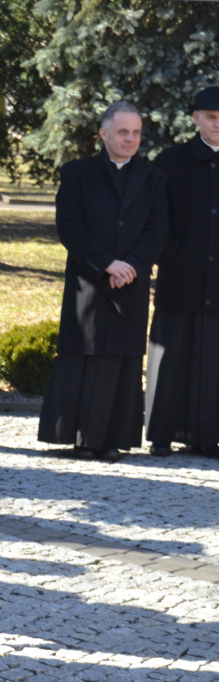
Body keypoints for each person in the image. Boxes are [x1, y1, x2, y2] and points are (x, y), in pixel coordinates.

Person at [38, 102, 168, 461]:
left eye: (136, 133)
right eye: (123, 132)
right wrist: (106, 264)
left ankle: (113, 440)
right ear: (104, 134)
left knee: (121, 359)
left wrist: (132, 265)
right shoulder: (77, 173)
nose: (130, 139)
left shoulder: (154, 179)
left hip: (131, 282)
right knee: (85, 354)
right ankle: (79, 438)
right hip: (89, 279)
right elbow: (70, 226)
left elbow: (159, 229)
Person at [145, 87, 219, 458]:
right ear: (196, 119)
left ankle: (208, 438)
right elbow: (156, 220)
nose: (217, 125)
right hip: (180, 277)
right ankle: (161, 434)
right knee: (170, 357)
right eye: (211, 117)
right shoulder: (170, 162)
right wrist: (171, 255)